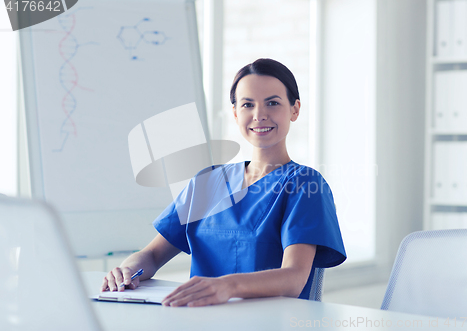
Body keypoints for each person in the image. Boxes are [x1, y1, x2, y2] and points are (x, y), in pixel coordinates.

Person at [101, 58, 346, 307]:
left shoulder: (305, 184)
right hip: (200, 320)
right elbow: (152, 255)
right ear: (236, 113)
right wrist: (127, 269)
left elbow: (294, 279)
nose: (259, 115)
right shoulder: (207, 183)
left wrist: (227, 286)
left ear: (295, 110)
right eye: (248, 104)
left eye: (272, 103)